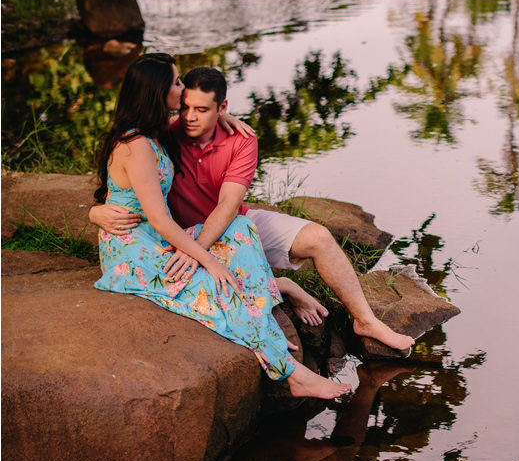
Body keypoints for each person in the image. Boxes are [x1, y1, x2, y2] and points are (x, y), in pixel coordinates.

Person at [90, 66, 415, 352]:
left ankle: (365, 321)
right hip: (183, 233)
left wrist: (195, 252)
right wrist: (97, 212)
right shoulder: (165, 135)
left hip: (233, 225)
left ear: (222, 107)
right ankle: (281, 286)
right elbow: (125, 173)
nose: (189, 117)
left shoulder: (241, 139)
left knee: (319, 238)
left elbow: (228, 206)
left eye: (203, 109)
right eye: (185, 107)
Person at [92, 52, 351, 399]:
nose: (182, 89)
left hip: (156, 238)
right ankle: (289, 369)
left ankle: (270, 305)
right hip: (133, 250)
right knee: (215, 284)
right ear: (159, 92)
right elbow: (158, 218)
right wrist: (207, 260)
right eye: (176, 83)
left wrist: (222, 117)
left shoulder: (154, 133)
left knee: (241, 228)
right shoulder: (137, 144)